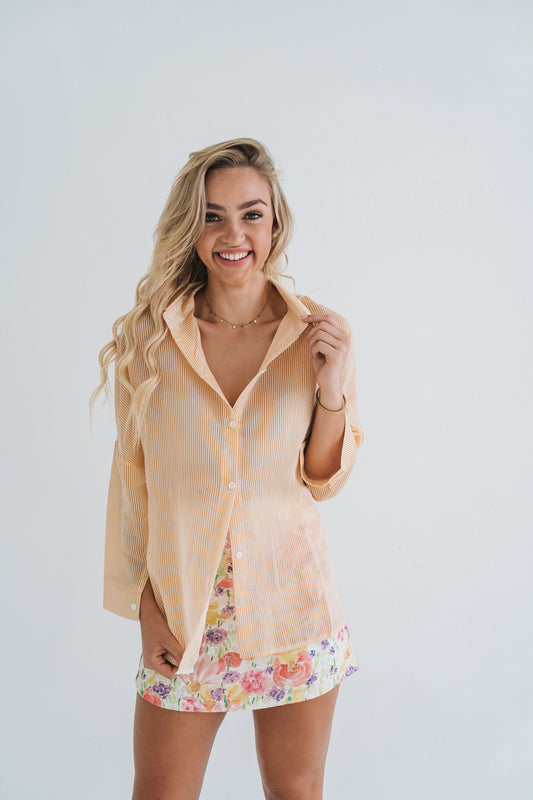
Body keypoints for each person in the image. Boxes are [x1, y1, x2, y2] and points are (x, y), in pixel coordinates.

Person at [91, 137, 364, 800]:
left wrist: (332, 391)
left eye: (251, 214)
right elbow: (133, 484)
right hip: (186, 616)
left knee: (296, 790)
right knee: (160, 790)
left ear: (274, 224)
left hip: (292, 609)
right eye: (212, 216)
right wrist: (145, 610)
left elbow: (322, 478)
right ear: (191, 228)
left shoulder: (316, 336)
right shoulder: (150, 343)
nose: (233, 234)